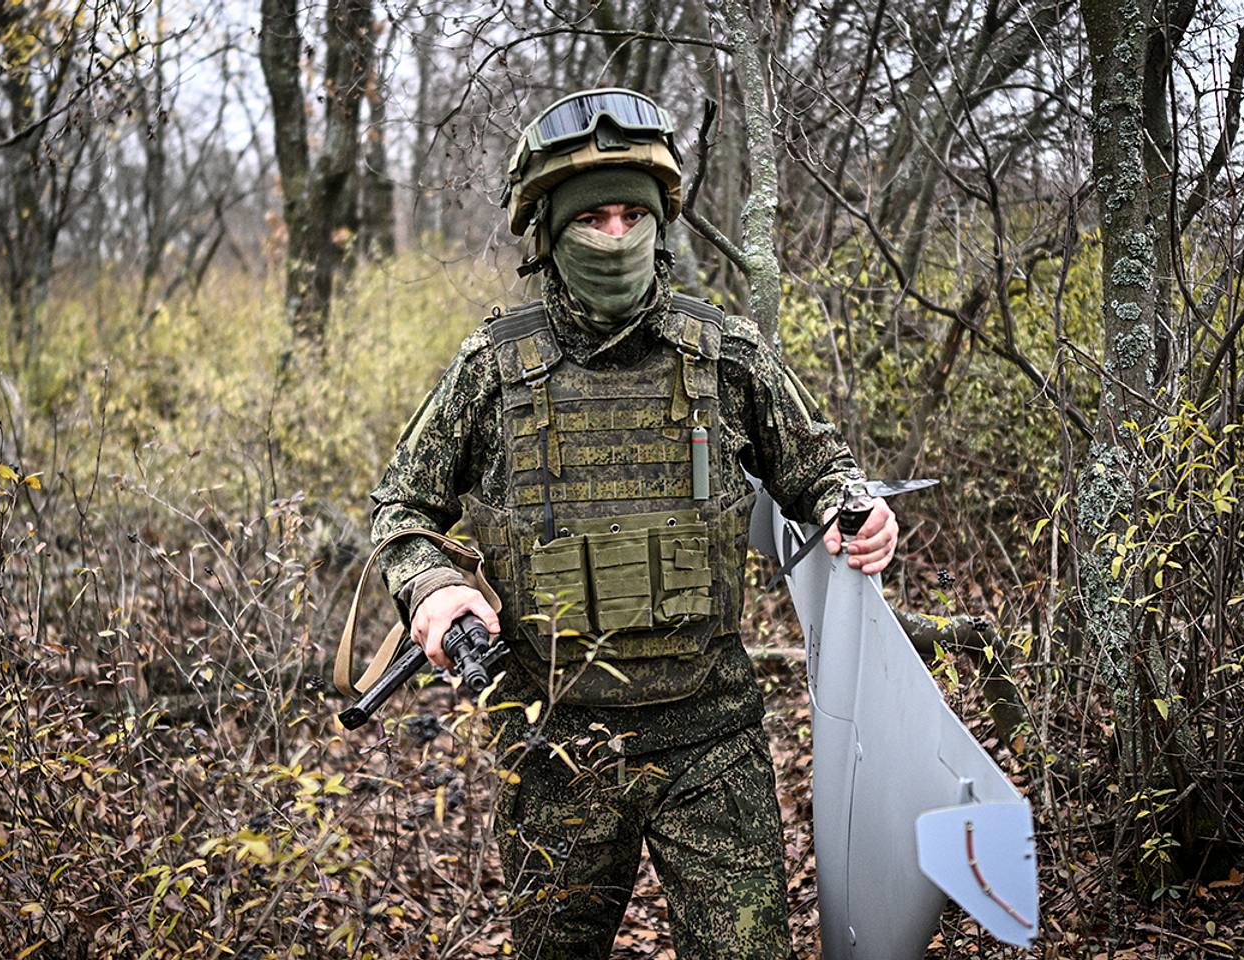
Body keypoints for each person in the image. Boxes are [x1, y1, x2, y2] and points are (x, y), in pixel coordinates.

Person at [369, 88, 897, 959]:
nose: (615, 236)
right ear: (548, 232)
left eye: (631, 215)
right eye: (591, 218)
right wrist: (431, 587)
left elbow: (819, 468)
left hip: (710, 739)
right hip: (555, 746)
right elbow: (402, 507)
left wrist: (856, 509)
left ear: (660, 223)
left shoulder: (724, 353)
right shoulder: (493, 369)